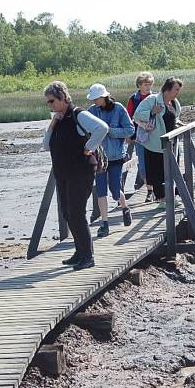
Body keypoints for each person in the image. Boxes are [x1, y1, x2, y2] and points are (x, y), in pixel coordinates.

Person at [43, 81, 108, 271]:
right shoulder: (59, 120)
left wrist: (89, 147)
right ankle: (79, 252)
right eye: (48, 102)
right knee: (67, 213)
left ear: (63, 97)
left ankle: (88, 256)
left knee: (77, 214)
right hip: (63, 174)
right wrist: (52, 123)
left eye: (52, 101)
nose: (50, 105)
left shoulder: (79, 114)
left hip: (80, 172)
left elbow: (102, 128)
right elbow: (46, 145)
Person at [87, 83, 134, 238]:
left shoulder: (119, 109)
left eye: (97, 99)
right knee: (100, 190)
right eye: (93, 99)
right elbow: (84, 131)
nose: (94, 102)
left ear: (104, 97)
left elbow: (130, 130)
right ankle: (104, 224)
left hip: (115, 157)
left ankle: (125, 208)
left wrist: (109, 131)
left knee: (115, 191)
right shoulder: (91, 112)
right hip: (99, 158)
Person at [132, 77, 183, 202]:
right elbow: (136, 115)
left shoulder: (175, 103)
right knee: (156, 173)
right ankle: (161, 200)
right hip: (154, 144)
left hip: (171, 144)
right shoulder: (152, 100)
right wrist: (151, 112)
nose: (178, 92)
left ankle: (170, 198)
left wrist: (181, 125)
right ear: (167, 89)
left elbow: (174, 119)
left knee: (171, 172)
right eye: (176, 89)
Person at [126, 72, 155, 201]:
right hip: (139, 136)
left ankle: (155, 189)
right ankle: (149, 190)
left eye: (150, 84)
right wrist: (128, 135)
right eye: (145, 84)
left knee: (155, 162)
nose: (148, 86)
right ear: (139, 85)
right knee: (142, 165)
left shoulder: (155, 98)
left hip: (155, 134)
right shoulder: (134, 99)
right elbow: (128, 118)